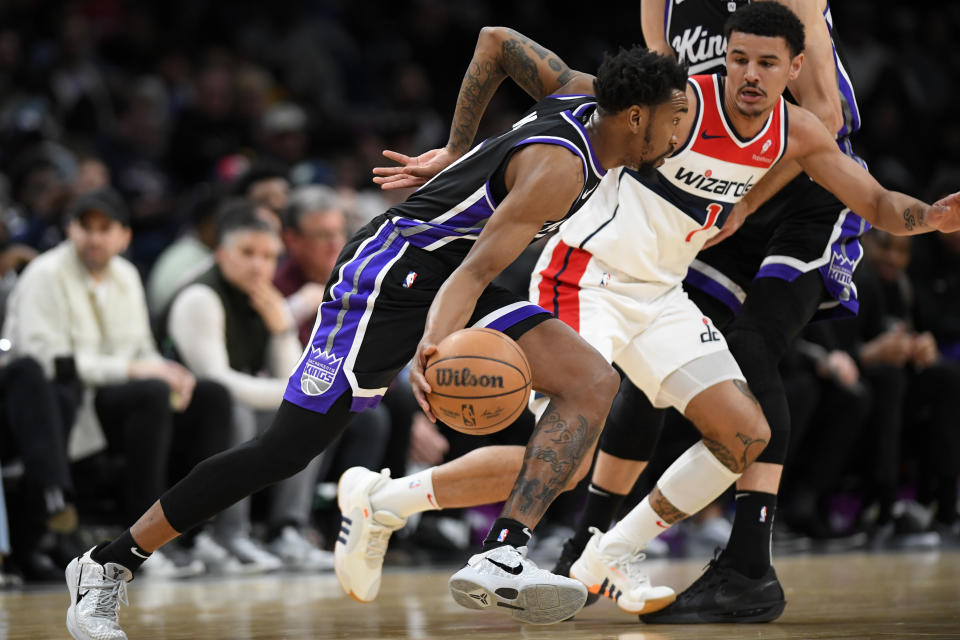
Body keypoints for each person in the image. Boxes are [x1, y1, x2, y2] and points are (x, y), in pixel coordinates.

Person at [63, 27, 690, 638]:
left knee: (591, 385)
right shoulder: (558, 170)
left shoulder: (585, 91)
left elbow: (496, 41)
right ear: (635, 117)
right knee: (285, 450)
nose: (680, 132)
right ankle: (105, 566)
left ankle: (502, 552)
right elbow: (472, 273)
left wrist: (457, 151)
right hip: (392, 275)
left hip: (447, 269)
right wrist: (433, 348)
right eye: (674, 117)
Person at [342, 5, 960, 619]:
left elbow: (874, 201)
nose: (748, 73)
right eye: (738, 58)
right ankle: (418, 514)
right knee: (567, 455)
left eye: (766, 63)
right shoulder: (679, 102)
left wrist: (930, 217)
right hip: (583, 277)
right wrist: (463, 143)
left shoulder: (796, 132)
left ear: (794, 68)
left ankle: (606, 553)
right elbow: (551, 72)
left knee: (746, 435)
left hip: (661, 293)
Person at [554, 0, 879, 623]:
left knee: (752, 351)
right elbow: (663, 100)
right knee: (652, 362)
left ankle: (750, 567)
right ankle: (585, 546)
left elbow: (825, 115)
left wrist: (748, 202)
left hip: (807, 189)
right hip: (724, 184)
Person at [3, 187, 233, 580]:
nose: (94, 238)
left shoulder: (126, 274)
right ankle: (142, 542)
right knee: (151, 391)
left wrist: (167, 368)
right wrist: (134, 370)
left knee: (210, 394)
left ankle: (200, 534)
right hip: (59, 407)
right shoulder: (45, 274)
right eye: (84, 227)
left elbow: (142, 350)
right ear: (68, 231)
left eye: (104, 228)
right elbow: (48, 364)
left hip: (111, 401)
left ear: (125, 236)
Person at [164, 199, 334, 572]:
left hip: (227, 411)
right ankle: (228, 534)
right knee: (234, 408)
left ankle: (288, 532)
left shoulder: (262, 297)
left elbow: (292, 374)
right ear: (222, 253)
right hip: (179, 420)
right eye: (247, 253)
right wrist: (293, 396)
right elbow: (216, 381)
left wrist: (282, 328)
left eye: (268, 256)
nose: (259, 265)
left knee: (313, 415)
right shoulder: (200, 296)